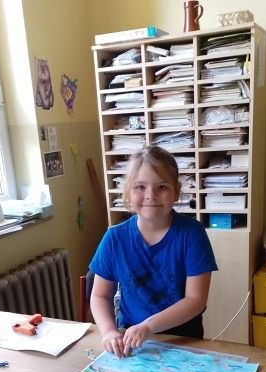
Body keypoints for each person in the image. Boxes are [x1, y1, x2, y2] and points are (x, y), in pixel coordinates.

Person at [89, 146, 218, 357]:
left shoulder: (192, 234)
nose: (151, 195)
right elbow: (100, 296)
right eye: (140, 187)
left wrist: (149, 326)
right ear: (127, 192)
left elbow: (196, 300)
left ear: (176, 192)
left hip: (184, 339)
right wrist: (109, 332)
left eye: (162, 187)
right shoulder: (114, 238)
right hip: (130, 340)